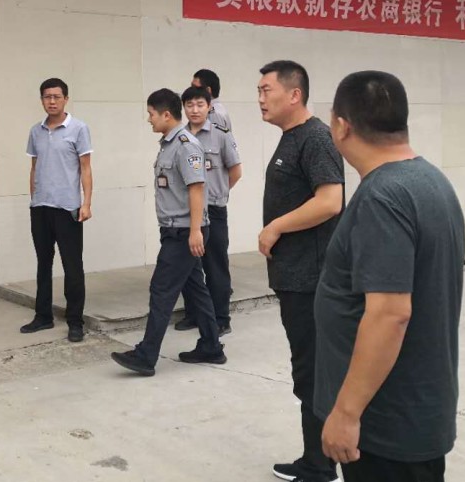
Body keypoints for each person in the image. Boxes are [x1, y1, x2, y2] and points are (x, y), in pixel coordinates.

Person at [317, 71, 464, 482]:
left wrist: (346, 413)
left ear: (342, 126)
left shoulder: (382, 197)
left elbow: (390, 314)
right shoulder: (432, 180)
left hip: (384, 425)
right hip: (416, 410)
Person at [257, 61, 343, 482]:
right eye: (258, 90)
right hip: (294, 278)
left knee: (313, 372)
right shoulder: (292, 137)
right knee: (308, 370)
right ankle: (319, 458)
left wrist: (275, 227)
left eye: (266, 90)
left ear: (294, 94)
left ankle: (320, 465)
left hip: (312, 280)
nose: (260, 98)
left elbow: (330, 201)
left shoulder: (315, 138)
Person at [111, 88, 225, 376]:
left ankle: (146, 355)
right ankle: (211, 346)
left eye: (151, 114)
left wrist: (196, 231)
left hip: (184, 232)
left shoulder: (186, 145)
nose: (149, 119)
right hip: (178, 231)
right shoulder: (169, 144)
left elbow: (197, 188)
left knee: (161, 291)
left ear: (165, 115)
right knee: (196, 289)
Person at [20, 78, 92, 343]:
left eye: (56, 97)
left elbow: (85, 168)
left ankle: (75, 322)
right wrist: (34, 198)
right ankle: (43, 316)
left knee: (72, 266)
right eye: (47, 97)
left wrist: (86, 203)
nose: (52, 101)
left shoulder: (79, 128)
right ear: (42, 100)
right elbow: (34, 168)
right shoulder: (36, 131)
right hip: (41, 207)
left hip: (68, 207)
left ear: (66, 99)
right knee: (43, 263)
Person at [173, 86, 242, 335]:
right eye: (189, 105)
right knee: (189, 267)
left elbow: (235, 171)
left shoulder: (221, 135)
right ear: (183, 108)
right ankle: (194, 314)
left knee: (215, 265)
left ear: (209, 106)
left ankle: (221, 318)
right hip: (187, 212)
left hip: (213, 210)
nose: (195, 110)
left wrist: (218, 193)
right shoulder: (179, 137)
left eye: (200, 104)